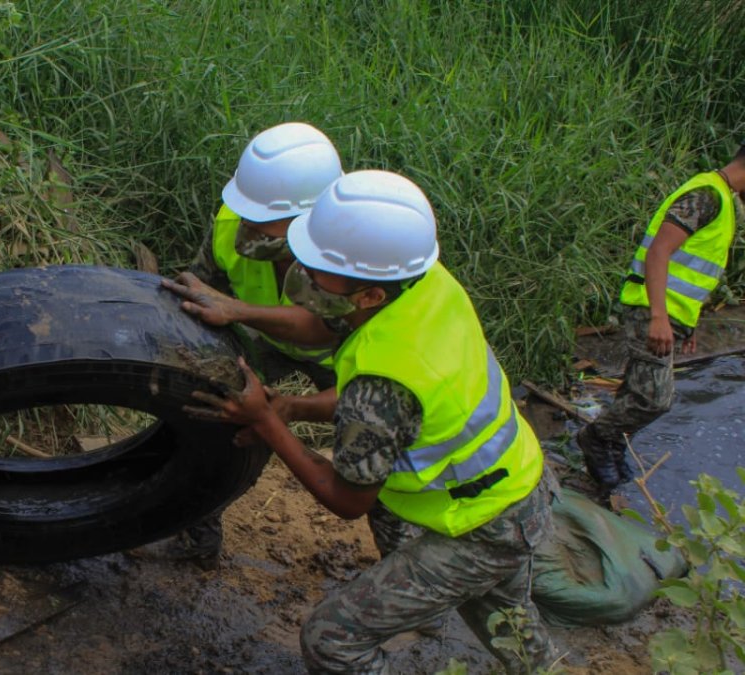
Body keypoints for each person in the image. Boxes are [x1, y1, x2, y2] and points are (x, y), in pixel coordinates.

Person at [186, 170, 557, 673]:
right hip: (518, 484)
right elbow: (375, 387)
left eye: (317, 271)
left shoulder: (383, 376)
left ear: (368, 297)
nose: (301, 272)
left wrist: (269, 425)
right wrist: (291, 404)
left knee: (331, 640)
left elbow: (346, 499)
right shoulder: (423, 283)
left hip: (478, 528)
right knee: (510, 624)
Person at [134, 122, 343, 567]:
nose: (249, 224)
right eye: (247, 210)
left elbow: (324, 329)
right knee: (215, 417)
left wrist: (238, 312)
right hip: (266, 341)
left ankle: (412, 569)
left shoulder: (350, 252)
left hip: (344, 354)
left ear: (312, 217)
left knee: (380, 460)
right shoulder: (233, 226)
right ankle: (198, 537)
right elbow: (200, 288)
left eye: (264, 218)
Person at [577, 143, 745, 494]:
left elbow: (693, 272)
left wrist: (687, 324)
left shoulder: (723, 200)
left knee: (638, 387)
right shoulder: (706, 196)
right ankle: (596, 437)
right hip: (650, 307)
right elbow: (659, 252)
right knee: (655, 397)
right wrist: (658, 318)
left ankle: (612, 448)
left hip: (668, 312)